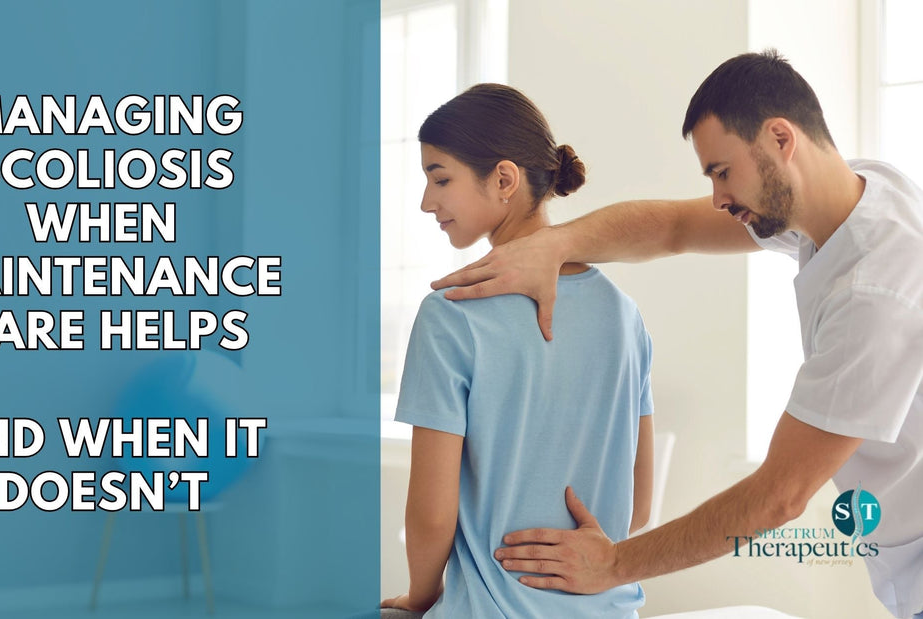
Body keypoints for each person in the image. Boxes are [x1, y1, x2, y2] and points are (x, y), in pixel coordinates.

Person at [434, 51, 923, 619]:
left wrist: (613, 565)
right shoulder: (862, 194)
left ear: (781, 139)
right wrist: (554, 245)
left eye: (722, 171)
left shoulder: (874, 292)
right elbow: (674, 226)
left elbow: (779, 496)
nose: (717, 197)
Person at [380, 83, 655, 618]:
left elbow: (431, 517)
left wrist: (420, 599)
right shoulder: (626, 316)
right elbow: (637, 508)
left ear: (504, 179)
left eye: (441, 178)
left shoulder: (452, 313)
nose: (427, 201)